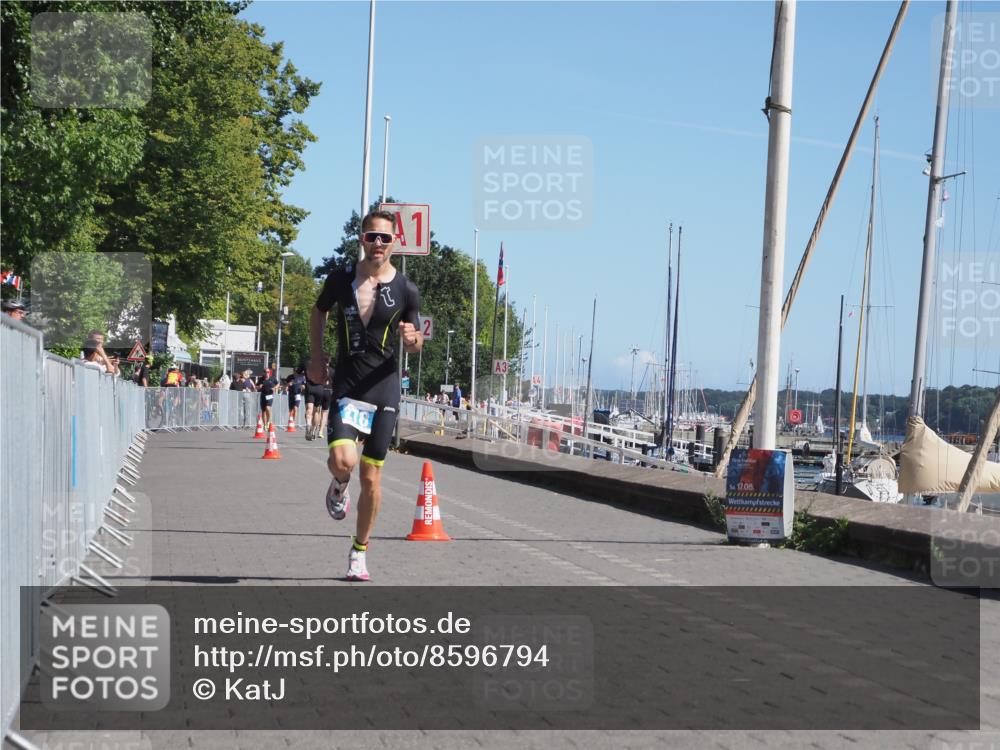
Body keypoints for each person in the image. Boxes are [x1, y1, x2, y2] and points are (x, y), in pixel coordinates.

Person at [309, 210, 423, 581]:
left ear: (394, 243)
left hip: (383, 387)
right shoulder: (341, 279)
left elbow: (418, 336)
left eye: (385, 238)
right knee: (344, 461)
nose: (378, 243)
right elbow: (317, 312)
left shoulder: (406, 289)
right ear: (361, 238)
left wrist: (413, 340)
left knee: (372, 478)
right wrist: (316, 356)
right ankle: (338, 485)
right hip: (347, 383)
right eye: (372, 236)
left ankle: (359, 551)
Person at [286, 366, 306, 431]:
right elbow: (284, 385)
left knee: (295, 408)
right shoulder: (290, 377)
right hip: (291, 394)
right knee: (291, 409)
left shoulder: (302, 377)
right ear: (293, 371)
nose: (295, 372)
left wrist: (303, 387)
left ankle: (293, 422)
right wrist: (288, 384)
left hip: (298, 394)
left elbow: (304, 386)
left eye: (297, 371)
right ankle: (290, 422)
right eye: (294, 371)